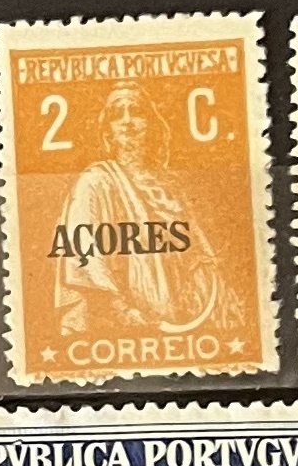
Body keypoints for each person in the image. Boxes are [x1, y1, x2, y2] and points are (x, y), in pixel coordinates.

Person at [51, 83, 242, 345]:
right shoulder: (95, 183)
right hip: (129, 329)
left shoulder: (171, 186)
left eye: (137, 112)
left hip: (184, 324)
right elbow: (83, 260)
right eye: (118, 114)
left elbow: (200, 259)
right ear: (107, 131)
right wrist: (124, 312)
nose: (127, 121)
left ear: (151, 124)